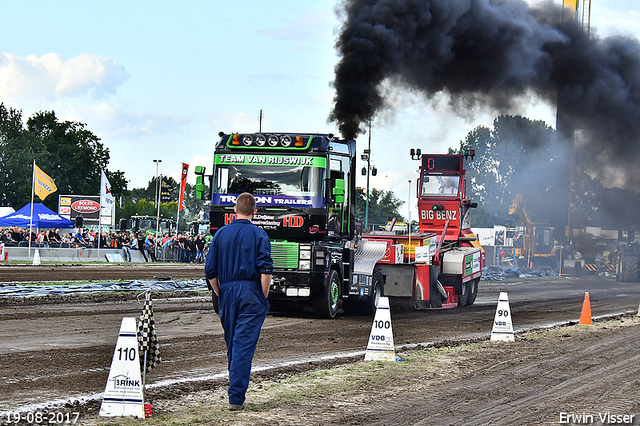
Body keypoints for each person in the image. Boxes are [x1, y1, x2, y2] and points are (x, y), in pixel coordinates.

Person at [204, 192, 272, 411]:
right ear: (255, 212)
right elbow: (265, 270)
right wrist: (263, 294)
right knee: (243, 344)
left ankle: (235, 390)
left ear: (234, 210)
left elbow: (211, 271)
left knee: (233, 342)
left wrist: (220, 292)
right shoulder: (260, 235)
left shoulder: (221, 234)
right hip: (251, 290)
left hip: (228, 291)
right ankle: (236, 397)